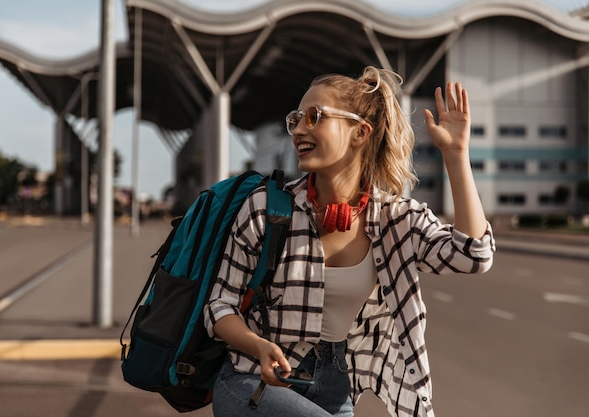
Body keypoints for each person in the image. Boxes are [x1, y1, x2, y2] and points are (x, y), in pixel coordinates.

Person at [204, 66, 495, 417]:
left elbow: (473, 255)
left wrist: (456, 154)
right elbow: (219, 306)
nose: (298, 129)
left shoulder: (395, 219)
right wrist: (260, 347)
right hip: (253, 381)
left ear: (360, 132)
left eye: (314, 117)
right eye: (295, 119)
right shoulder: (266, 208)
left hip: (336, 387)